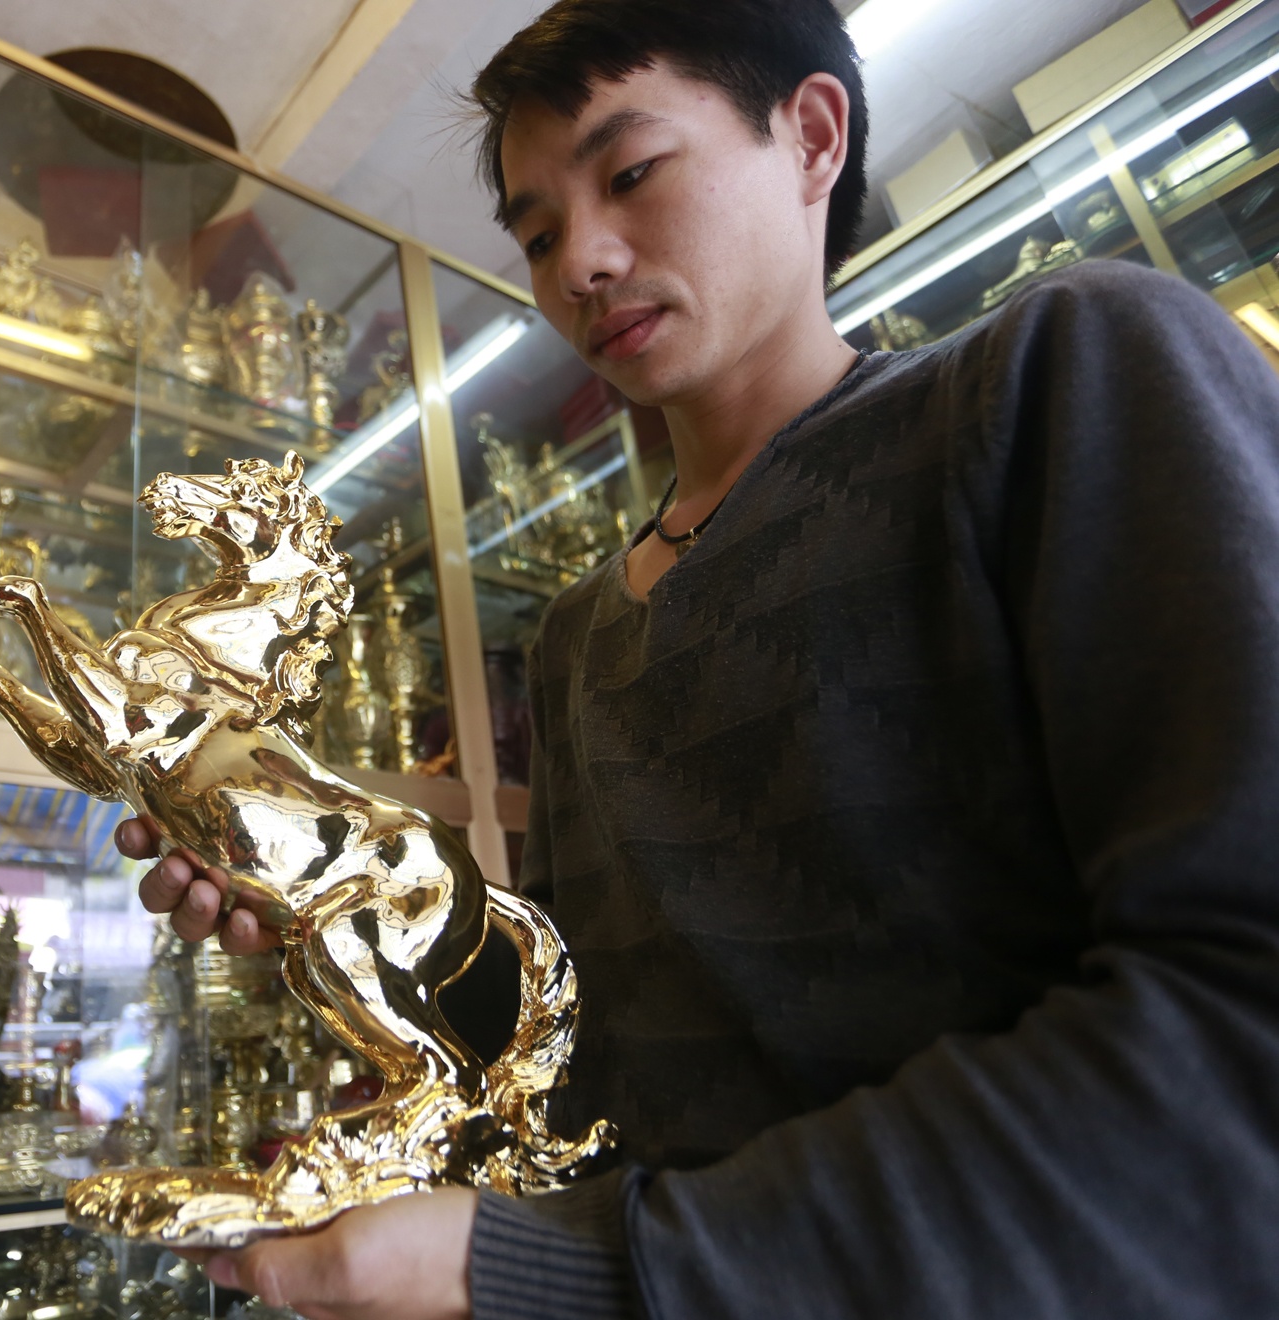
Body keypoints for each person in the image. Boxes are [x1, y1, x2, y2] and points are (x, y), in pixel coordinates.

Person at [118, 0, 1279, 1316]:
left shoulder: (1052, 382)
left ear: (814, 137)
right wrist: (344, 908)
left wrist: (566, 1266)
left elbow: (1238, 1036)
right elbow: (581, 1045)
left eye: (630, 173)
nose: (580, 262)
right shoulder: (578, 634)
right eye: (537, 235)